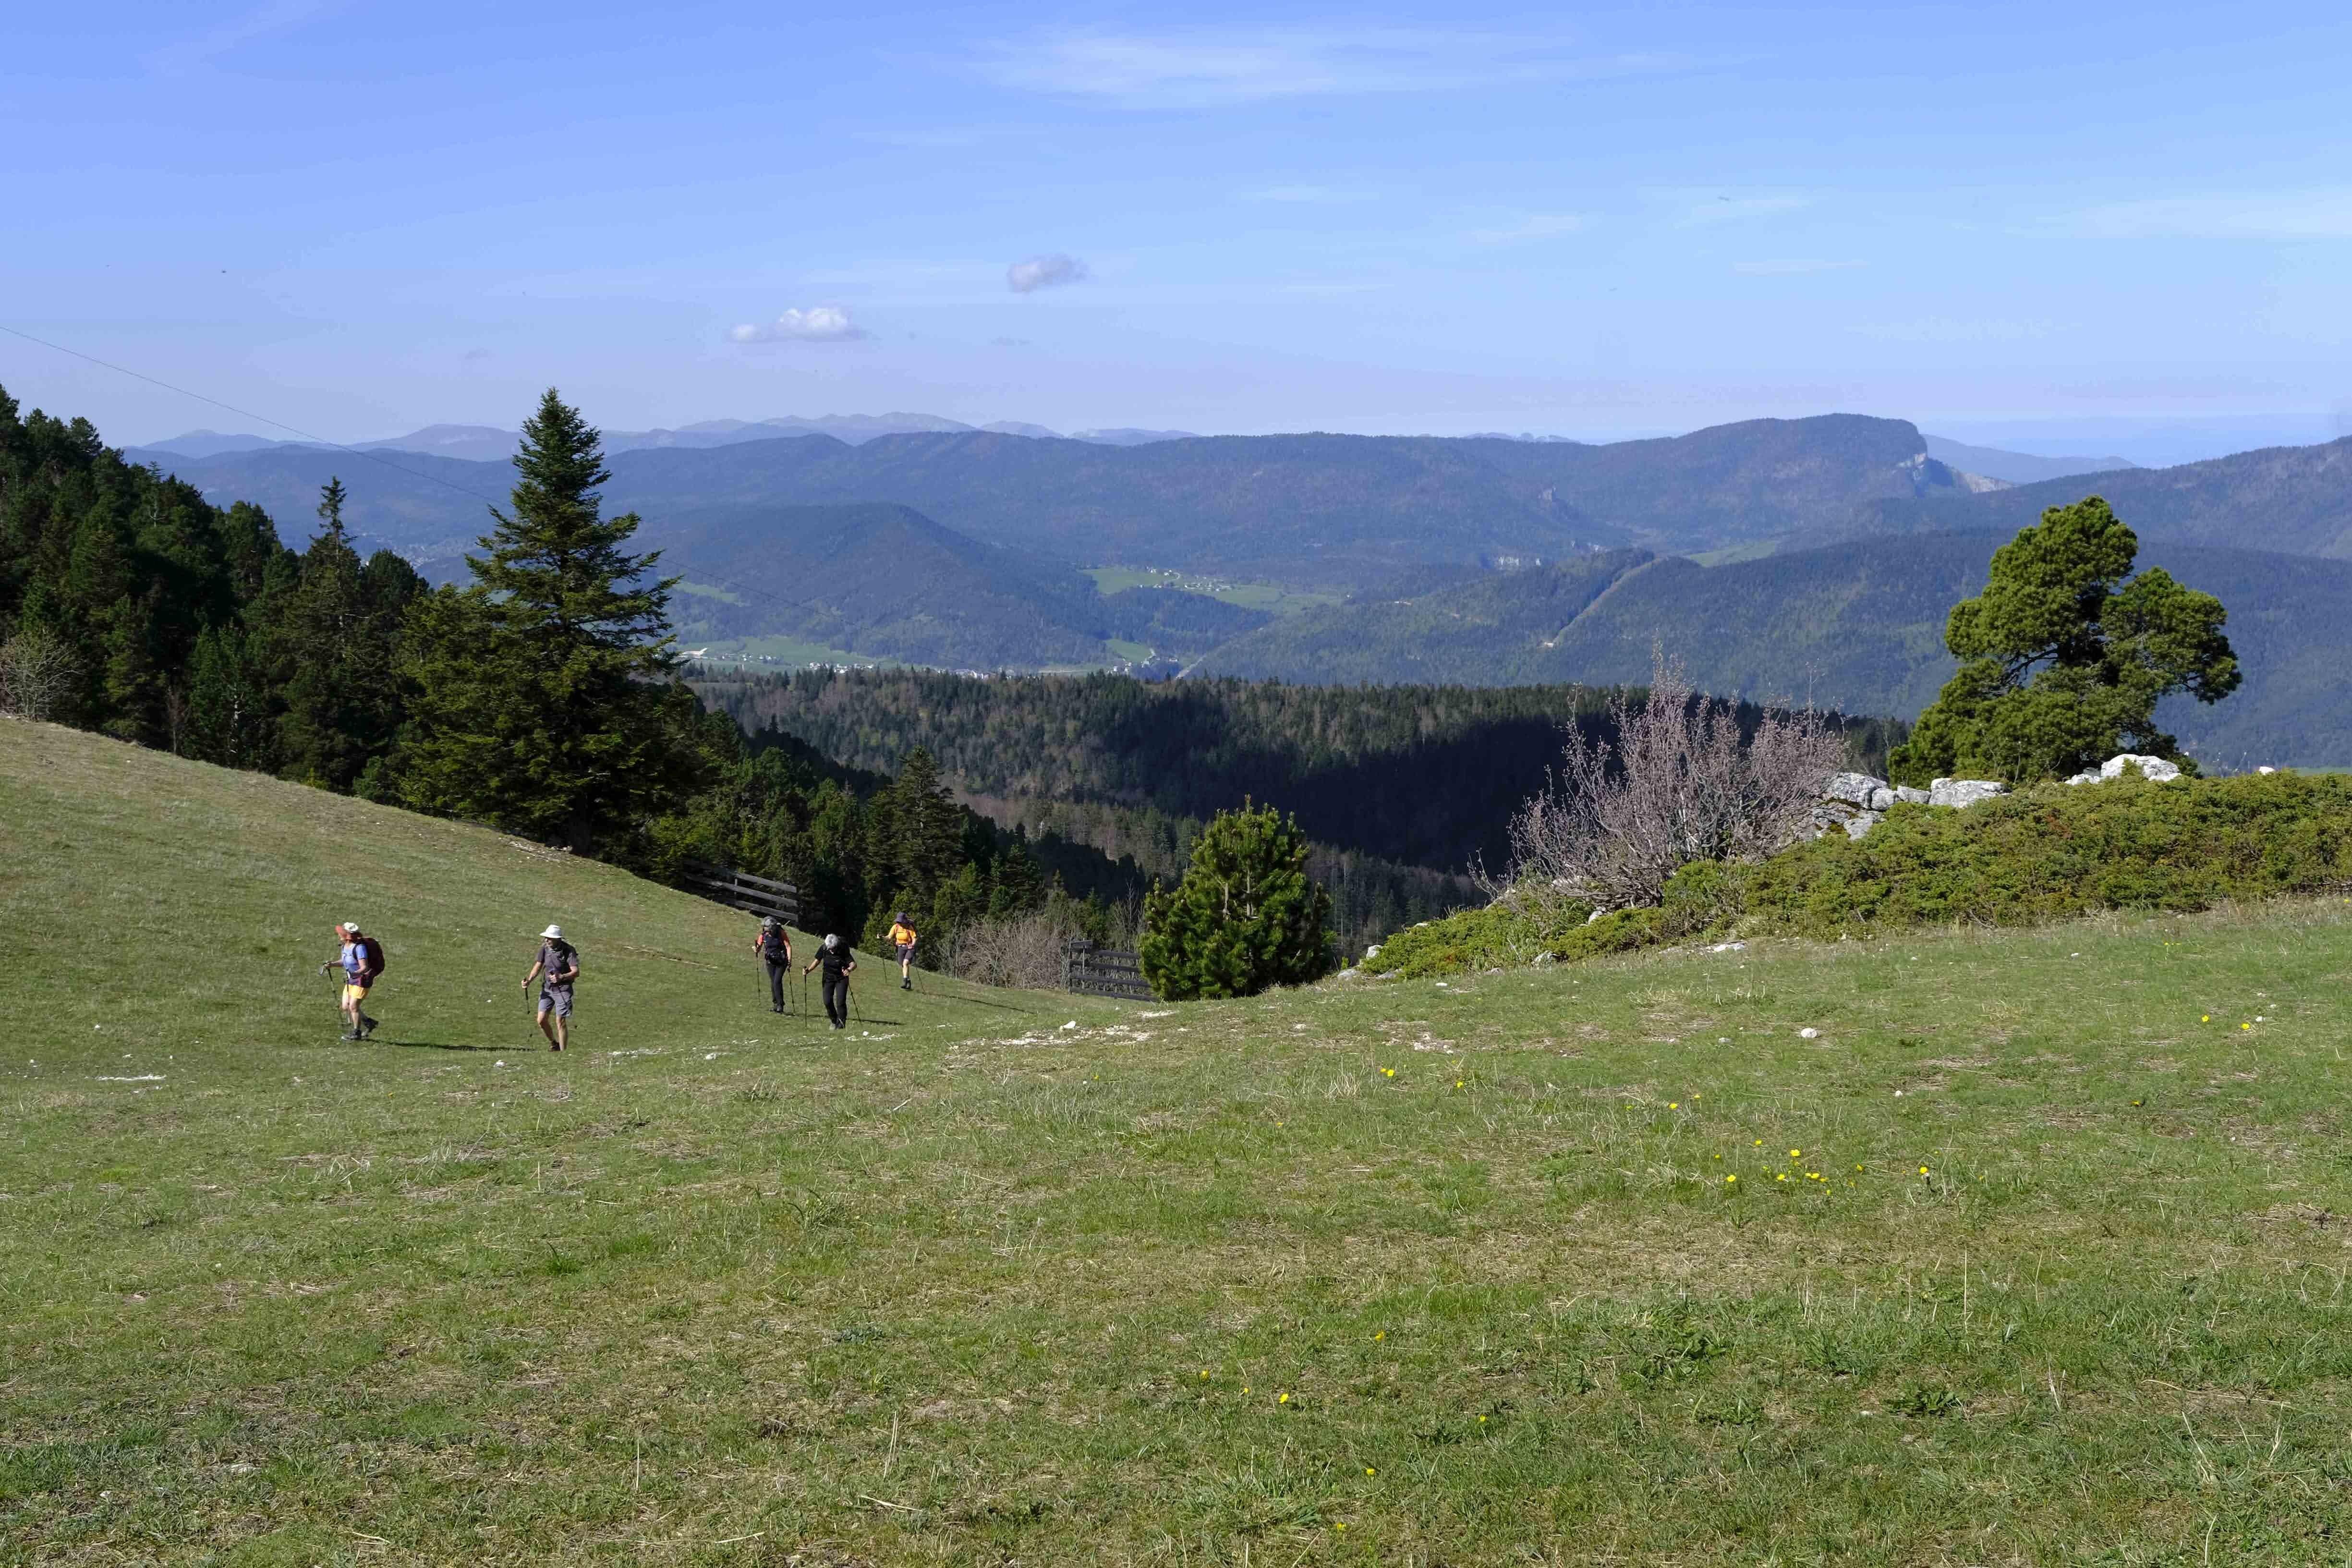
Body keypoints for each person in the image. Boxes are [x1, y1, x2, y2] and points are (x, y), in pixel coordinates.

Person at [521, 923, 580, 1051]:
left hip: (563, 990)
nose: (546, 940)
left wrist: (562, 977)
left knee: (560, 1021)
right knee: (541, 1020)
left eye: (549, 938)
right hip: (547, 989)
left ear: (558, 939)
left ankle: (563, 1054)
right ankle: (554, 1043)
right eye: (546, 938)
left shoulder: (569, 951)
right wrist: (529, 981)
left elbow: (576, 972)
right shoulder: (545, 948)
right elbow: (538, 966)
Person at [325, 921, 382, 1040]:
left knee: (354, 1007)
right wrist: (332, 964)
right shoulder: (345, 946)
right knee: (346, 1006)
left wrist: (355, 974)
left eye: (341, 933)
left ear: (347, 936)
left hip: (362, 980)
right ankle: (369, 1022)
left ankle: (357, 1033)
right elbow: (344, 961)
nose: (339, 935)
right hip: (351, 979)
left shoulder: (360, 948)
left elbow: (364, 967)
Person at [803, 932, 856, 1030]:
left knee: (840, 1002)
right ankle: (834, 1021)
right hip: (828, 978)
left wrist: (849, 970)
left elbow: (853, 964)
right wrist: (808, 970)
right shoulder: (824, 948)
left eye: (833, 949)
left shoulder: (843, 948)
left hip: (841, 978)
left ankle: (841, 1026)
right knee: (827, 1001)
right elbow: (817, 961)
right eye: (830, 949)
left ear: (837, 945)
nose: (832, 951)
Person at [754, 915, 794, 1012]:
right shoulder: (763, 935)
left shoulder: (781, 933)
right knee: (773, 983)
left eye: (768, 930)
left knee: (777, 982)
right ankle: (776, 1004)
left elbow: (788, 946)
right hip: (770, 962)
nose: (766, 931)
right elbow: (759, 948)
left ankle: (781, 1005)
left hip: (782, 961)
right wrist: (756, 949)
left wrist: (789, 960)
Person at [887, 911, 918, 991]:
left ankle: (905, 982)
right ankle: (909, 982)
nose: (899, 923)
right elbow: (889, 937)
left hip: (910, 948)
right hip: (900, 948)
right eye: (898, 922)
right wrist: (881, 937)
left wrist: (912, 945)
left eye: (900, 922)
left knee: (905, 963)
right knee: (903, 965)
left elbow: (914, 938)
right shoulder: (896, 927)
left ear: (904, 921)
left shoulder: (909, 927)